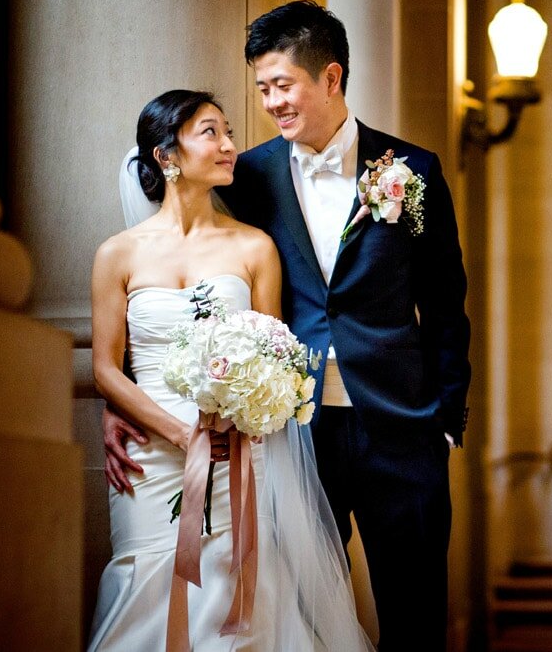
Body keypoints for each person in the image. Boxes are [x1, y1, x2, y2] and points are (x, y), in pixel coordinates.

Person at [108, 2, 471, 651]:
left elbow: (446, 305)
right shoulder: (246, 175)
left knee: (415, 616)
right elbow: (189, 276)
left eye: (282, 85)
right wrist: (130, 392)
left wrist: (445, 419)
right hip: (292, 435)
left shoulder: (411, 170)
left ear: (330, 78)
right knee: (304, 619)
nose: (271, 102)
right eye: (262, 89)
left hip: (402, 429)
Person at [88, 89, 374, 652]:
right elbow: (104, 367)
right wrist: (177, 433)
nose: (230, 146)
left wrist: (245, 414)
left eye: (229, 133)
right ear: (166, 155)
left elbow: (277, 352)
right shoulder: (116, 255)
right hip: (150, 453)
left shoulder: (254, 248)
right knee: (145, 579)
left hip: (237, 450)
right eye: (211, 133)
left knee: (236, 586)